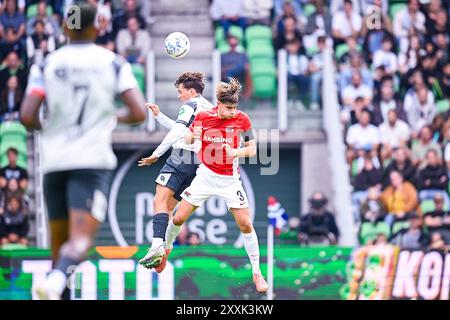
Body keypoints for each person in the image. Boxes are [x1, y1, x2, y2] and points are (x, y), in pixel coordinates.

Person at [20, 2, 146, 300]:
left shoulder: (47, 63)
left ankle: (53, 286)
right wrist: (113, 118)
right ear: (97, 27)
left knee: (60, 250)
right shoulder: (113, 62)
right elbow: (139, 112)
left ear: (64, 27)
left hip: (54, 161)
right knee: (79, 243)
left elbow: (27, 116)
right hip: (90, 161)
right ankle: (52, 284)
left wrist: (49, 127)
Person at [141, 78, 268, 293]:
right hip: (205, 177)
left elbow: (253, 150)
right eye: (229, 108)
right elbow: (188, 139)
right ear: (218, 105)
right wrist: (193, 136)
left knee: (245, 224)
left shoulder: (242, 120)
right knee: (179, 217)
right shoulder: (202, 117)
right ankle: (167, 251)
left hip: (229, 180)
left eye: (235, 107)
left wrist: (235, 152)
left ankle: (257, 271)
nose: (233, 112)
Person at [137, 72, 213, 273]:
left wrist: (156, 154)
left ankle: (156, 246)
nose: (179, 96)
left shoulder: (189, 105)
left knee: (158, 200)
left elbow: (178, 132)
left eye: (180, 92)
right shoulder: (209, 107)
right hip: (197, 163)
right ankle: (163, 251)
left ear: (190, 91)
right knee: (169, 207)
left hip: (181, 158)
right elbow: (184, 129)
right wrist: (159, 116)